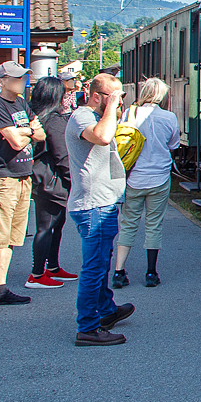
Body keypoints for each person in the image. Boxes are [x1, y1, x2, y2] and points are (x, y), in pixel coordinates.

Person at [65, 72, 133, 346]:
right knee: (94, 268)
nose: (118, 104)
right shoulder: (83, 117)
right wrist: (111, 109)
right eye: (114, 97)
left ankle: (106, 311)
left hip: (102, 202)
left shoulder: (95, 116)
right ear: (96, 96)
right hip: (92, 205)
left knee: (101, 263)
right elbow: (103, 138)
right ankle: (88, 327)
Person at [0, 61, 45, 310]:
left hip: (23, 176)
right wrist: (27, 130)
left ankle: (0, 288)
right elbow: (14, 141)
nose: (21, 83)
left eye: (23, 78)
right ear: (1, 81)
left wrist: (23, 130)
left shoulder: (22, 103)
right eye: (15, 78)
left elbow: (41, 134)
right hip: (2, 177)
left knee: (12, 239)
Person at [113, 78, 181, 289]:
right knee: (153, 225)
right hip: (159, 178)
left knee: (128, 223)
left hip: (134, 178)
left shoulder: (129, 114)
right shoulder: (169, 117)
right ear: (161, 95)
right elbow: (174, 144)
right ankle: (151, 273)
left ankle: (118, 272)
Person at [27, 77, 78, 288]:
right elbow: (62, 155)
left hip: (44, 178)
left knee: (53, 225)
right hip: (53, 181)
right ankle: (37, 274)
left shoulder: (37, 116)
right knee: (47, 227)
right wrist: (73, 180)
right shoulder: (54, 120)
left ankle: (53, 267)